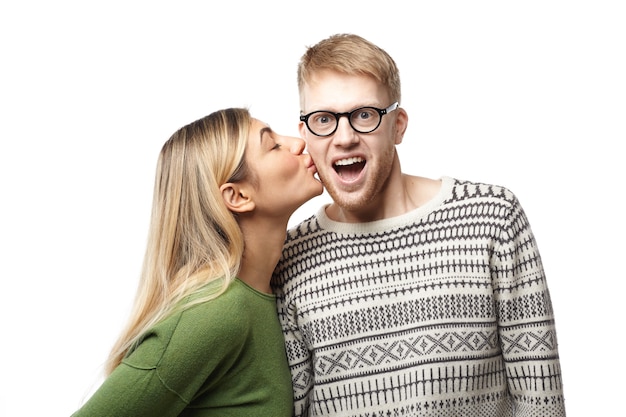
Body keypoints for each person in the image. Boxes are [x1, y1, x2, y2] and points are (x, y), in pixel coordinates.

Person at [272, 34, 566, 417]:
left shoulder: (492, 218)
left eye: (364, 114)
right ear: (306, 133)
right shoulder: (289, 258)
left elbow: (540, 402)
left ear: (398, 125)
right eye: (324, 119)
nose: (344, 138)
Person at [71, 108, 323, 416]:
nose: (298, 143)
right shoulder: (215, 313)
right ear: (238, 196)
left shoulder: (274, 291)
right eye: (272, 145)